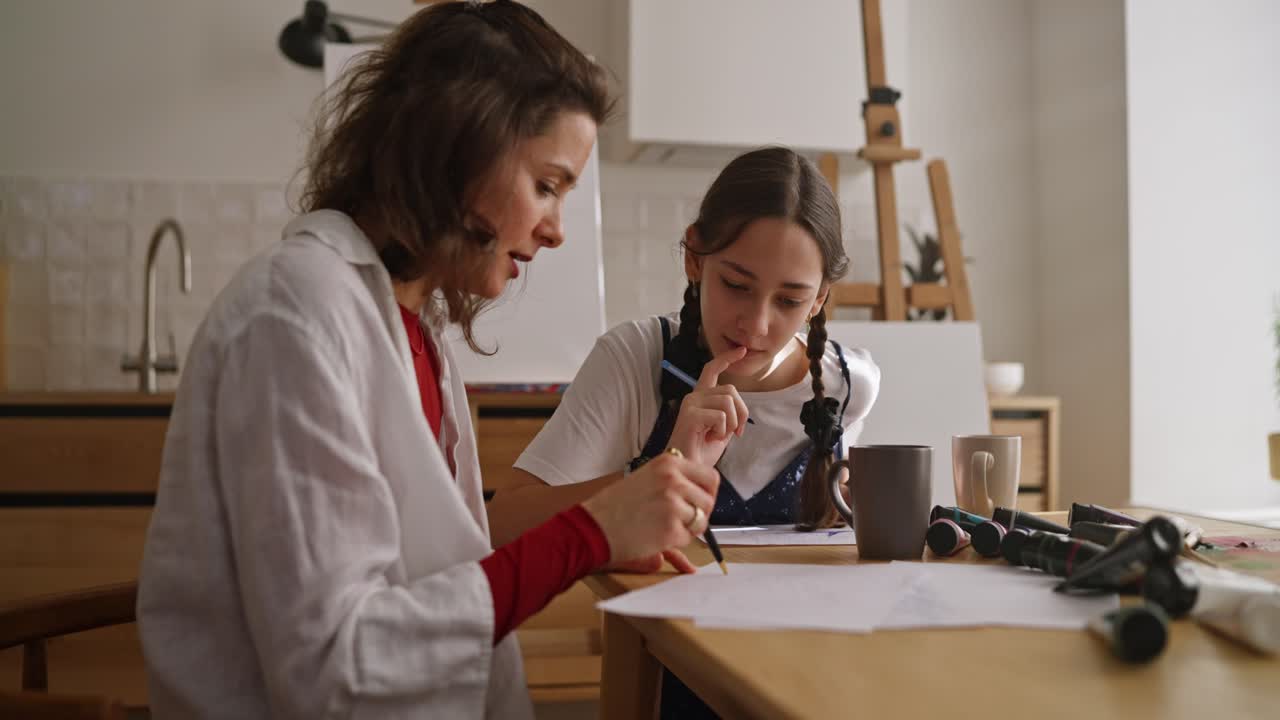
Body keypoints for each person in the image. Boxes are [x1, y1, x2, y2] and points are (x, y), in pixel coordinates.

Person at [136, 3, 718, 718]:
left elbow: (438, 578)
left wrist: (598, 537)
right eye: (546, 185)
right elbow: (334, 668)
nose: (557, 231)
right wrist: (588, 532)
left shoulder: (410, 326)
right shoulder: (292, 317)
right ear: (458, 151)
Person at [487, 146, 882, 717]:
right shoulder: (635, 359)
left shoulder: (851, 384)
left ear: (820, 299)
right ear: (695, 257)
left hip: (808, 685)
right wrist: (653, 477)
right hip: (667, 689)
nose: (758, 322)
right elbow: (504, 521)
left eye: (791, 300)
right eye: (737, 285)